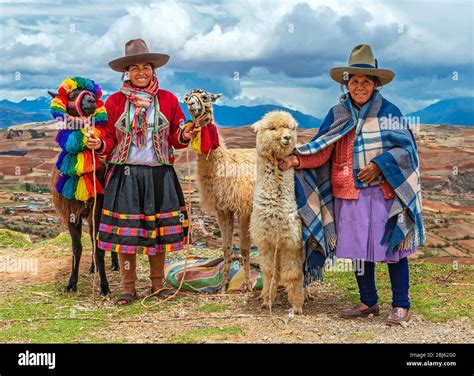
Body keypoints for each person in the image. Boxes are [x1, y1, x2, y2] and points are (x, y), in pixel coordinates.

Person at [279, 44, 425, 325]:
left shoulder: (389, 113)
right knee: (359, 251)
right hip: (348, 193)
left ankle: (401, 304)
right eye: (354, 81)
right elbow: (323, 148)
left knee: (393, 249)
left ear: (375, 84)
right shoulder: (338, 113)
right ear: (347, 84)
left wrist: (380, 165)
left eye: (366, 81)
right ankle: (368, 301)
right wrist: (296, 161)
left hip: (384, 193)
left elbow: (408, 151)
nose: (360, 86)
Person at [86, 39, 198, 305]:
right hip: (126, 176)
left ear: (153, 70)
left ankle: (158, 286)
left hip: (159, 175)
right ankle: (128, 288)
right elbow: (108, 139)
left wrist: (185, 133)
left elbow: (176, 137)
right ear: (127, 72)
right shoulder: (113, 103)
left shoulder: (168, 100)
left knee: (157, 234)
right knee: (128, 236)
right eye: (134, 67)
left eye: (145, 67)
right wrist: (98, 143)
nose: (140, 72)